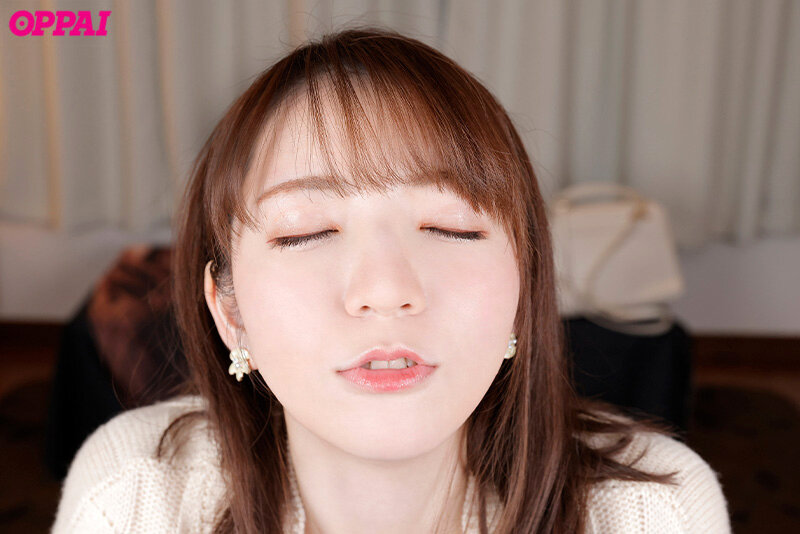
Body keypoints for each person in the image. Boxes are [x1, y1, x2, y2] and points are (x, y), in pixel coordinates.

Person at [51, 27, 731, 533]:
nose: (385, 288)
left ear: (525, 293)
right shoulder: (135, 495)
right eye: (304, 233)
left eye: (451, 228)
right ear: (229, 312)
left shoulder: (654, 510)